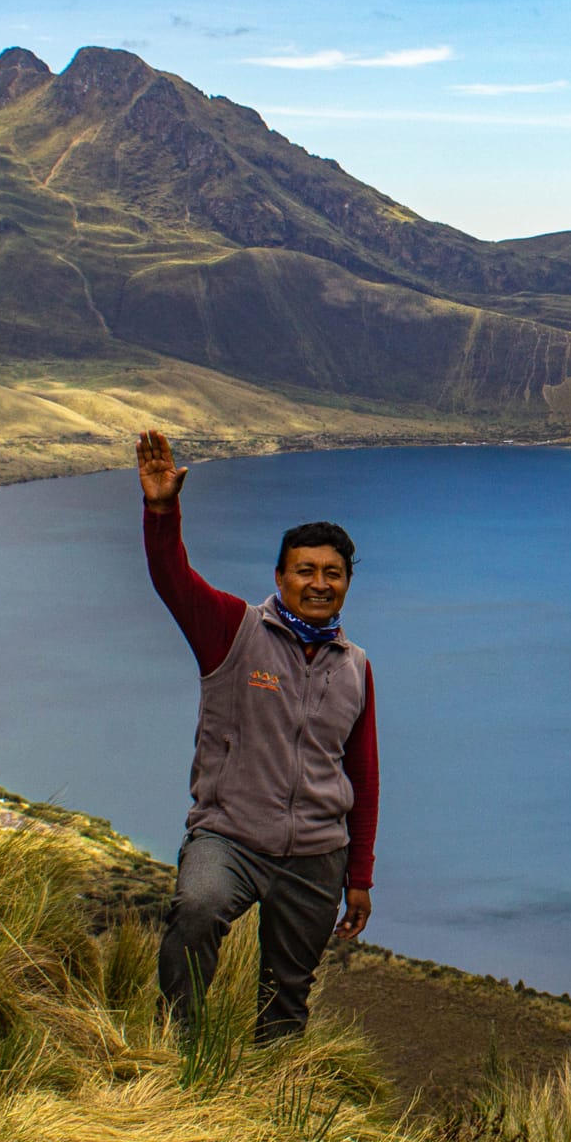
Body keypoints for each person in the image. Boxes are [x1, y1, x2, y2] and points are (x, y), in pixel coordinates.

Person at [137, 428, 379, 1041]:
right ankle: (176, 1052)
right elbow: (172, 578)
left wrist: (359, 876)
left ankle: (274, 1101)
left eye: (333, 572)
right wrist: (162, 509)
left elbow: (364, 776)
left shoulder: (355, 666)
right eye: (305, 571)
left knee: (288, 997)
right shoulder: (232, 630)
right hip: (231, 837)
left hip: (317, 853)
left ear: (348, 582)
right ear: (279, 575)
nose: (319, 583)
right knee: (195, 912)